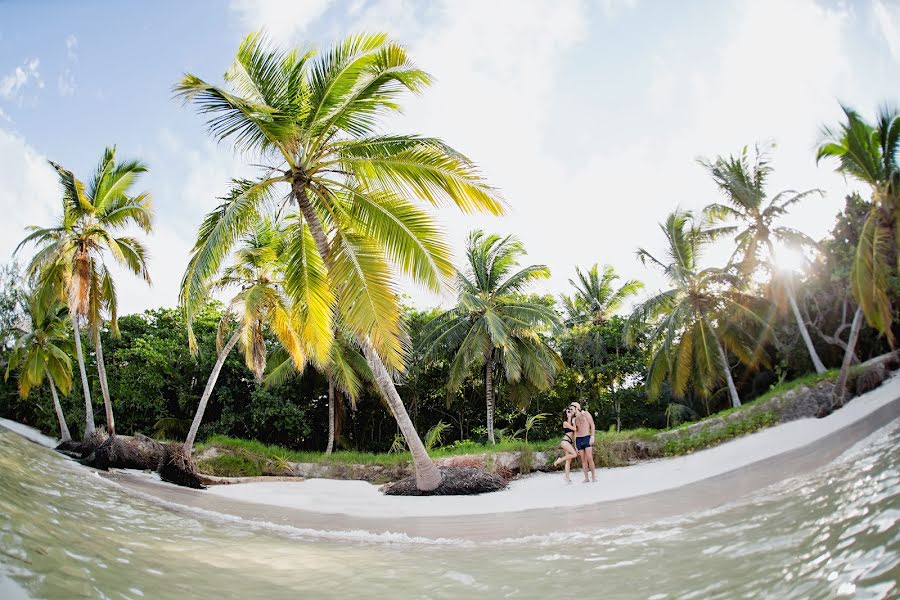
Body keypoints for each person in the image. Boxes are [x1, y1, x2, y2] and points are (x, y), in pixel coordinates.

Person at [570, 402, 596, 482]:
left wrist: (592, 436)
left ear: (576, 408)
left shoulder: (585, 414)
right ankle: (586, 478)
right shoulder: (574, 419)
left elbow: (592, 424)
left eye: (572, 409)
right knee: (583, 459)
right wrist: (575, 445)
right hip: (579, 439)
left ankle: (593, 477)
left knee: (589, 457)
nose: (570, 410)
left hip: (587, 437)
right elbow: (575, 432)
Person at [553, 406, 578, 483]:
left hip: (568, 442)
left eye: (570, 411)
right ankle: (559, 460)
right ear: (565, 414)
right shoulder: (565, 423)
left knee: (568, 460)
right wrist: (573, 422)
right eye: (567, 411)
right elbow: (574, 429)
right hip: (565, 442)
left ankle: (567, 478)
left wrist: (571, 418)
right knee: (574, 454)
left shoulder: (569, 421)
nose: (569, 412)